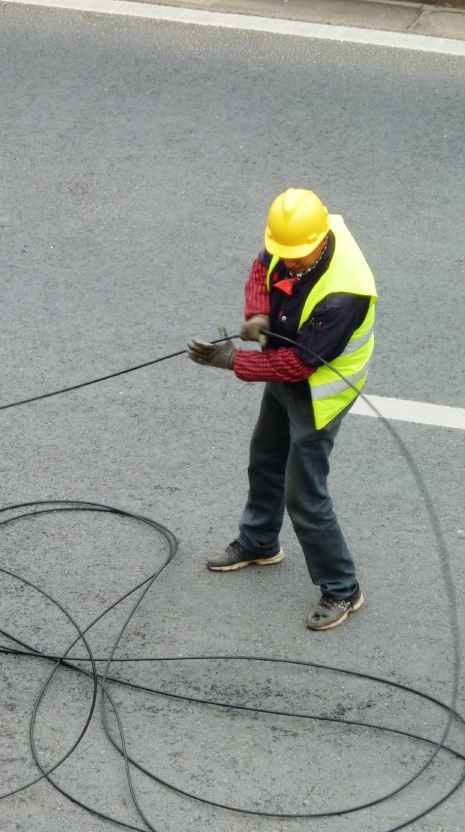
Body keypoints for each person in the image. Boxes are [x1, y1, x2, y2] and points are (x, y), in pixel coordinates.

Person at [188, 188, 375, 631]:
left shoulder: (345, 293)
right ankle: (259, 543)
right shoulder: (290, 242)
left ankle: (343, 588)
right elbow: (260, 269)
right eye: (283, 253)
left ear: (320, 240)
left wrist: (232, 359)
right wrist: (259, 313)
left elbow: (295, 364)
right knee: (265, 458)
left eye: (296, 258)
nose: (287, 262)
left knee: (305, 494)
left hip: (319, 392)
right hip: (284, 372)